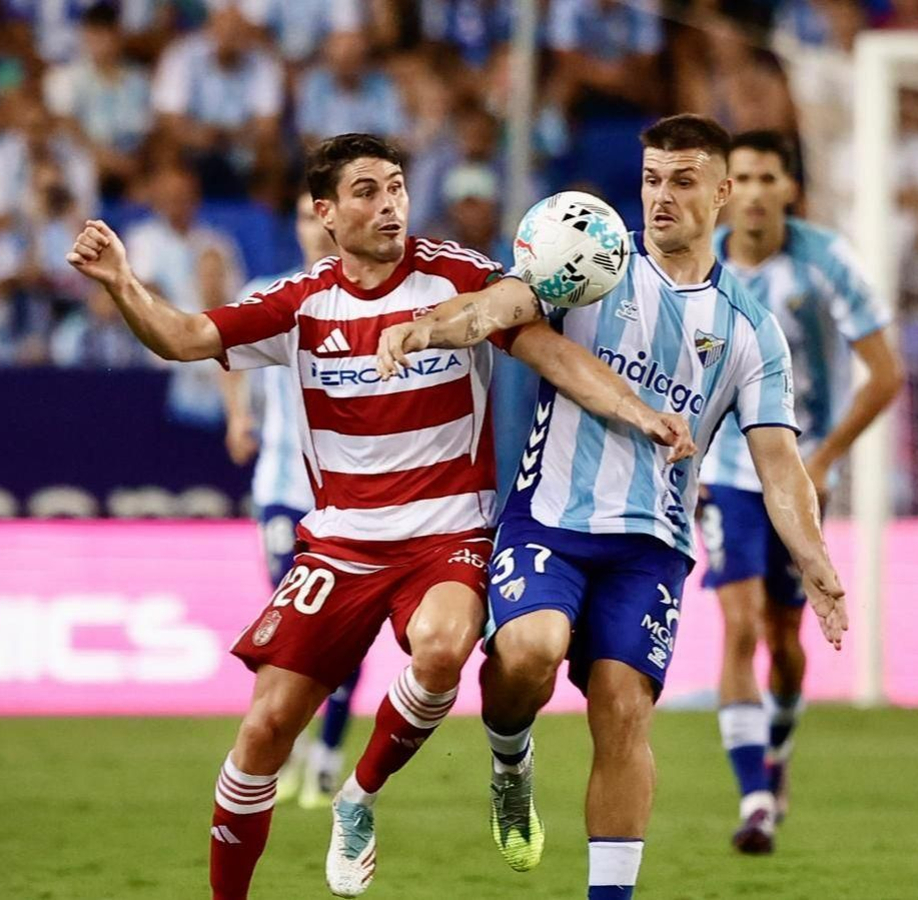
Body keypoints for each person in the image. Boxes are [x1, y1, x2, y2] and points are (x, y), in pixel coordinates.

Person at [64, 132, 692, 900]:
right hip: (338, 544)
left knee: (442, 647)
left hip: (449, 532)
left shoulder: (456, 277)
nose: (389, 204)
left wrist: (638, 411)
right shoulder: (299, 304)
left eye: (395, 186)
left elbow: (547, 352)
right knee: (263, 733)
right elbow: (186, 337)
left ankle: (358, 796)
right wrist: (124, 283)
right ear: (325, 211)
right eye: (367, 191)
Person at [376, 114, 849, 900]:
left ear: (723, 193)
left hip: (652, 545)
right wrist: (430, 326)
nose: (662, 196)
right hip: (552, 517)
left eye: (683, 181)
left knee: (623, 710)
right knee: (527, 650)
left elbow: (780, 466)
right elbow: (500, 305)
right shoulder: (590, 256)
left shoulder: (750, 332)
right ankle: (509, 756)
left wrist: (817, 560)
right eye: (652, 179)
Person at [697, 130, 904, 854]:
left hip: (800, 473)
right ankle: (754, 799)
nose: (753, 191)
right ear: (725, 190)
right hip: (722, 468)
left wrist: (822, 461)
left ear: (791, 188)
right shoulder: (701, 263)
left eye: (766, 178)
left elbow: (885, 373)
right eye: (741, 177)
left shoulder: (826, 261)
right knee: (741, 622)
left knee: (787, 642)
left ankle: (777, 754)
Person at [219, 192, 358, 811]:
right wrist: (237, 417)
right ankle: (289, 744)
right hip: (282, 489)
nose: (317, 228)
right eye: (305, 217)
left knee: (343, 631)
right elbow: (224, 348)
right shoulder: (270, 291)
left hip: (349, 494)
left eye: (322, 215)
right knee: (296, 628)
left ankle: (326, 752)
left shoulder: (371, 295)